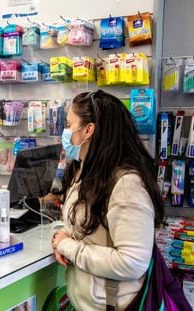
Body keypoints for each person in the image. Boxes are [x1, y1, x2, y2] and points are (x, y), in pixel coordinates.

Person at [51, 90, 164, 310]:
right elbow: (79, 223)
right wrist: (61, 235)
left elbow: (132, 262)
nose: (65, 132)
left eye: (68, 124)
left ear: (88, 130)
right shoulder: (85, 170)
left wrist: (68, 247)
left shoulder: (126, 184)